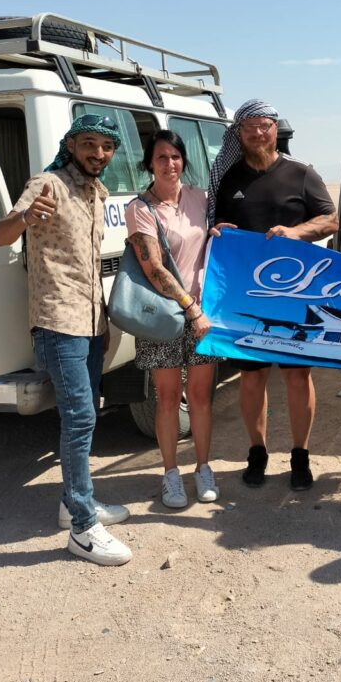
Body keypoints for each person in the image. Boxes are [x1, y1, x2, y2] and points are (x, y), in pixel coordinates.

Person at [0, 114, 132, 566]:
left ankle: (72, 502)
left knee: (86, 414)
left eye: (106, 147)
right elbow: (0, 236)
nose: (98, 153)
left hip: (89, 322)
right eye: (89, 143)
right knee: (79, 418)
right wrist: (25, 217)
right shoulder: (47, 184)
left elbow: (89, 264)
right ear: (71, 145)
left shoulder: (97, 192)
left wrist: (103, 323)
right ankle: (82, 529)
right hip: (57, 322)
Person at [207, 99, 338, 490]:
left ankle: (300, 456)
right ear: (239, 134)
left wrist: (295, 232)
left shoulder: (301, 173)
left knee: (298, 376)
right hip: (244, 297)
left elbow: (330, 219)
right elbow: (213, 223)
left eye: (264, 126)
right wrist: (218, 229)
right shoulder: (228, 178)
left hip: (296, 294)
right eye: (249, 128)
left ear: (275, 129)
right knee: (252, 378)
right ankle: (257, 452)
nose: (257, 133)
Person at [126, 130, 219, 510]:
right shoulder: (140, 208)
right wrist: (189, 308)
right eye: (161, 157)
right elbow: (153, 268)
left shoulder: (200, 199)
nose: (170, 164)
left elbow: (211, 241)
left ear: (183, 160)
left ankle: (203, 468)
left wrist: (222, 232)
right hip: (164, 316)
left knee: (200, 396)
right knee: (166, 398)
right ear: (149, 163)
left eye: (175, 156)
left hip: (203, 314)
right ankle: (170, 474)